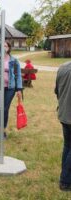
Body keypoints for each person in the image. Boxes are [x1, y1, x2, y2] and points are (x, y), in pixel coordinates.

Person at [0, 41, 23, 141]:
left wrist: (19, 89)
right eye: (2, 46)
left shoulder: (14, 60)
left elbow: (18, 75)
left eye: (5, 46)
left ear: (9, 48)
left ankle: (3, 130)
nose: (4, 47)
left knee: (5, 109)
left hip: (10, 88)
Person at [55, 61, 71, 191]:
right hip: (67, 114)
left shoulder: (63, 67)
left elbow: (57, 91)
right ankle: (65, 180)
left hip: (64, 114)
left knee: (68, 146)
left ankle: (65, 178)